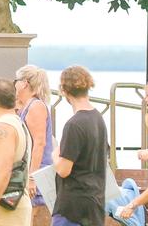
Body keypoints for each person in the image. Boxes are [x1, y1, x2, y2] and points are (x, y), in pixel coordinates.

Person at [52, 65, 107, 226]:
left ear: (64, 90)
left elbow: (63, 169)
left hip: (73, 208)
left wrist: (55, 155)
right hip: (95, 202)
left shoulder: (74, 124)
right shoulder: (98, 118)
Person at [0, 79, 32, 226]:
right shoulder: (18, 124)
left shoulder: (3, 127)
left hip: (5, 210)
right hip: (11, 208)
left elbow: (5, 168)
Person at [14, 65, 54, 206]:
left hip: (38, 173)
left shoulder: (36, 106)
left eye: (16, 81)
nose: (15, 85)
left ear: (24, 83)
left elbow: (39, 143)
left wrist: (32, 178)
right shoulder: (25, 106)